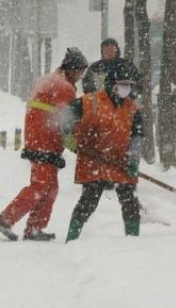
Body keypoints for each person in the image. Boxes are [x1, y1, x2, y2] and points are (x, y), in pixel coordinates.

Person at [0, 48, 89, 242]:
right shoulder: (63, 87)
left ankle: (34, 228)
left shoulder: (49, 79)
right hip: (45, 142)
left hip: (38, 139)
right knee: (40, 186)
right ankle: (6, 219)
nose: (81, 75)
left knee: (50, 187)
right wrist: (77, 146)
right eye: (80, 71)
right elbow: (66, 121)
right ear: (72, 68)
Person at [63, 61, 144, 242]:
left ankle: (134, 242)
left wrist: (133, 159)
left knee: (130, 203)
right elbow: (65, 118)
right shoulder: (90, 101)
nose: (126, 89)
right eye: (122, 85)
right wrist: (70, 139)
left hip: (121, 162)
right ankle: (72, 238)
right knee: (88, 203)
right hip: (94, 160)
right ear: (111, 84)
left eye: (129, 85)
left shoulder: (132, 108)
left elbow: (137, 135)